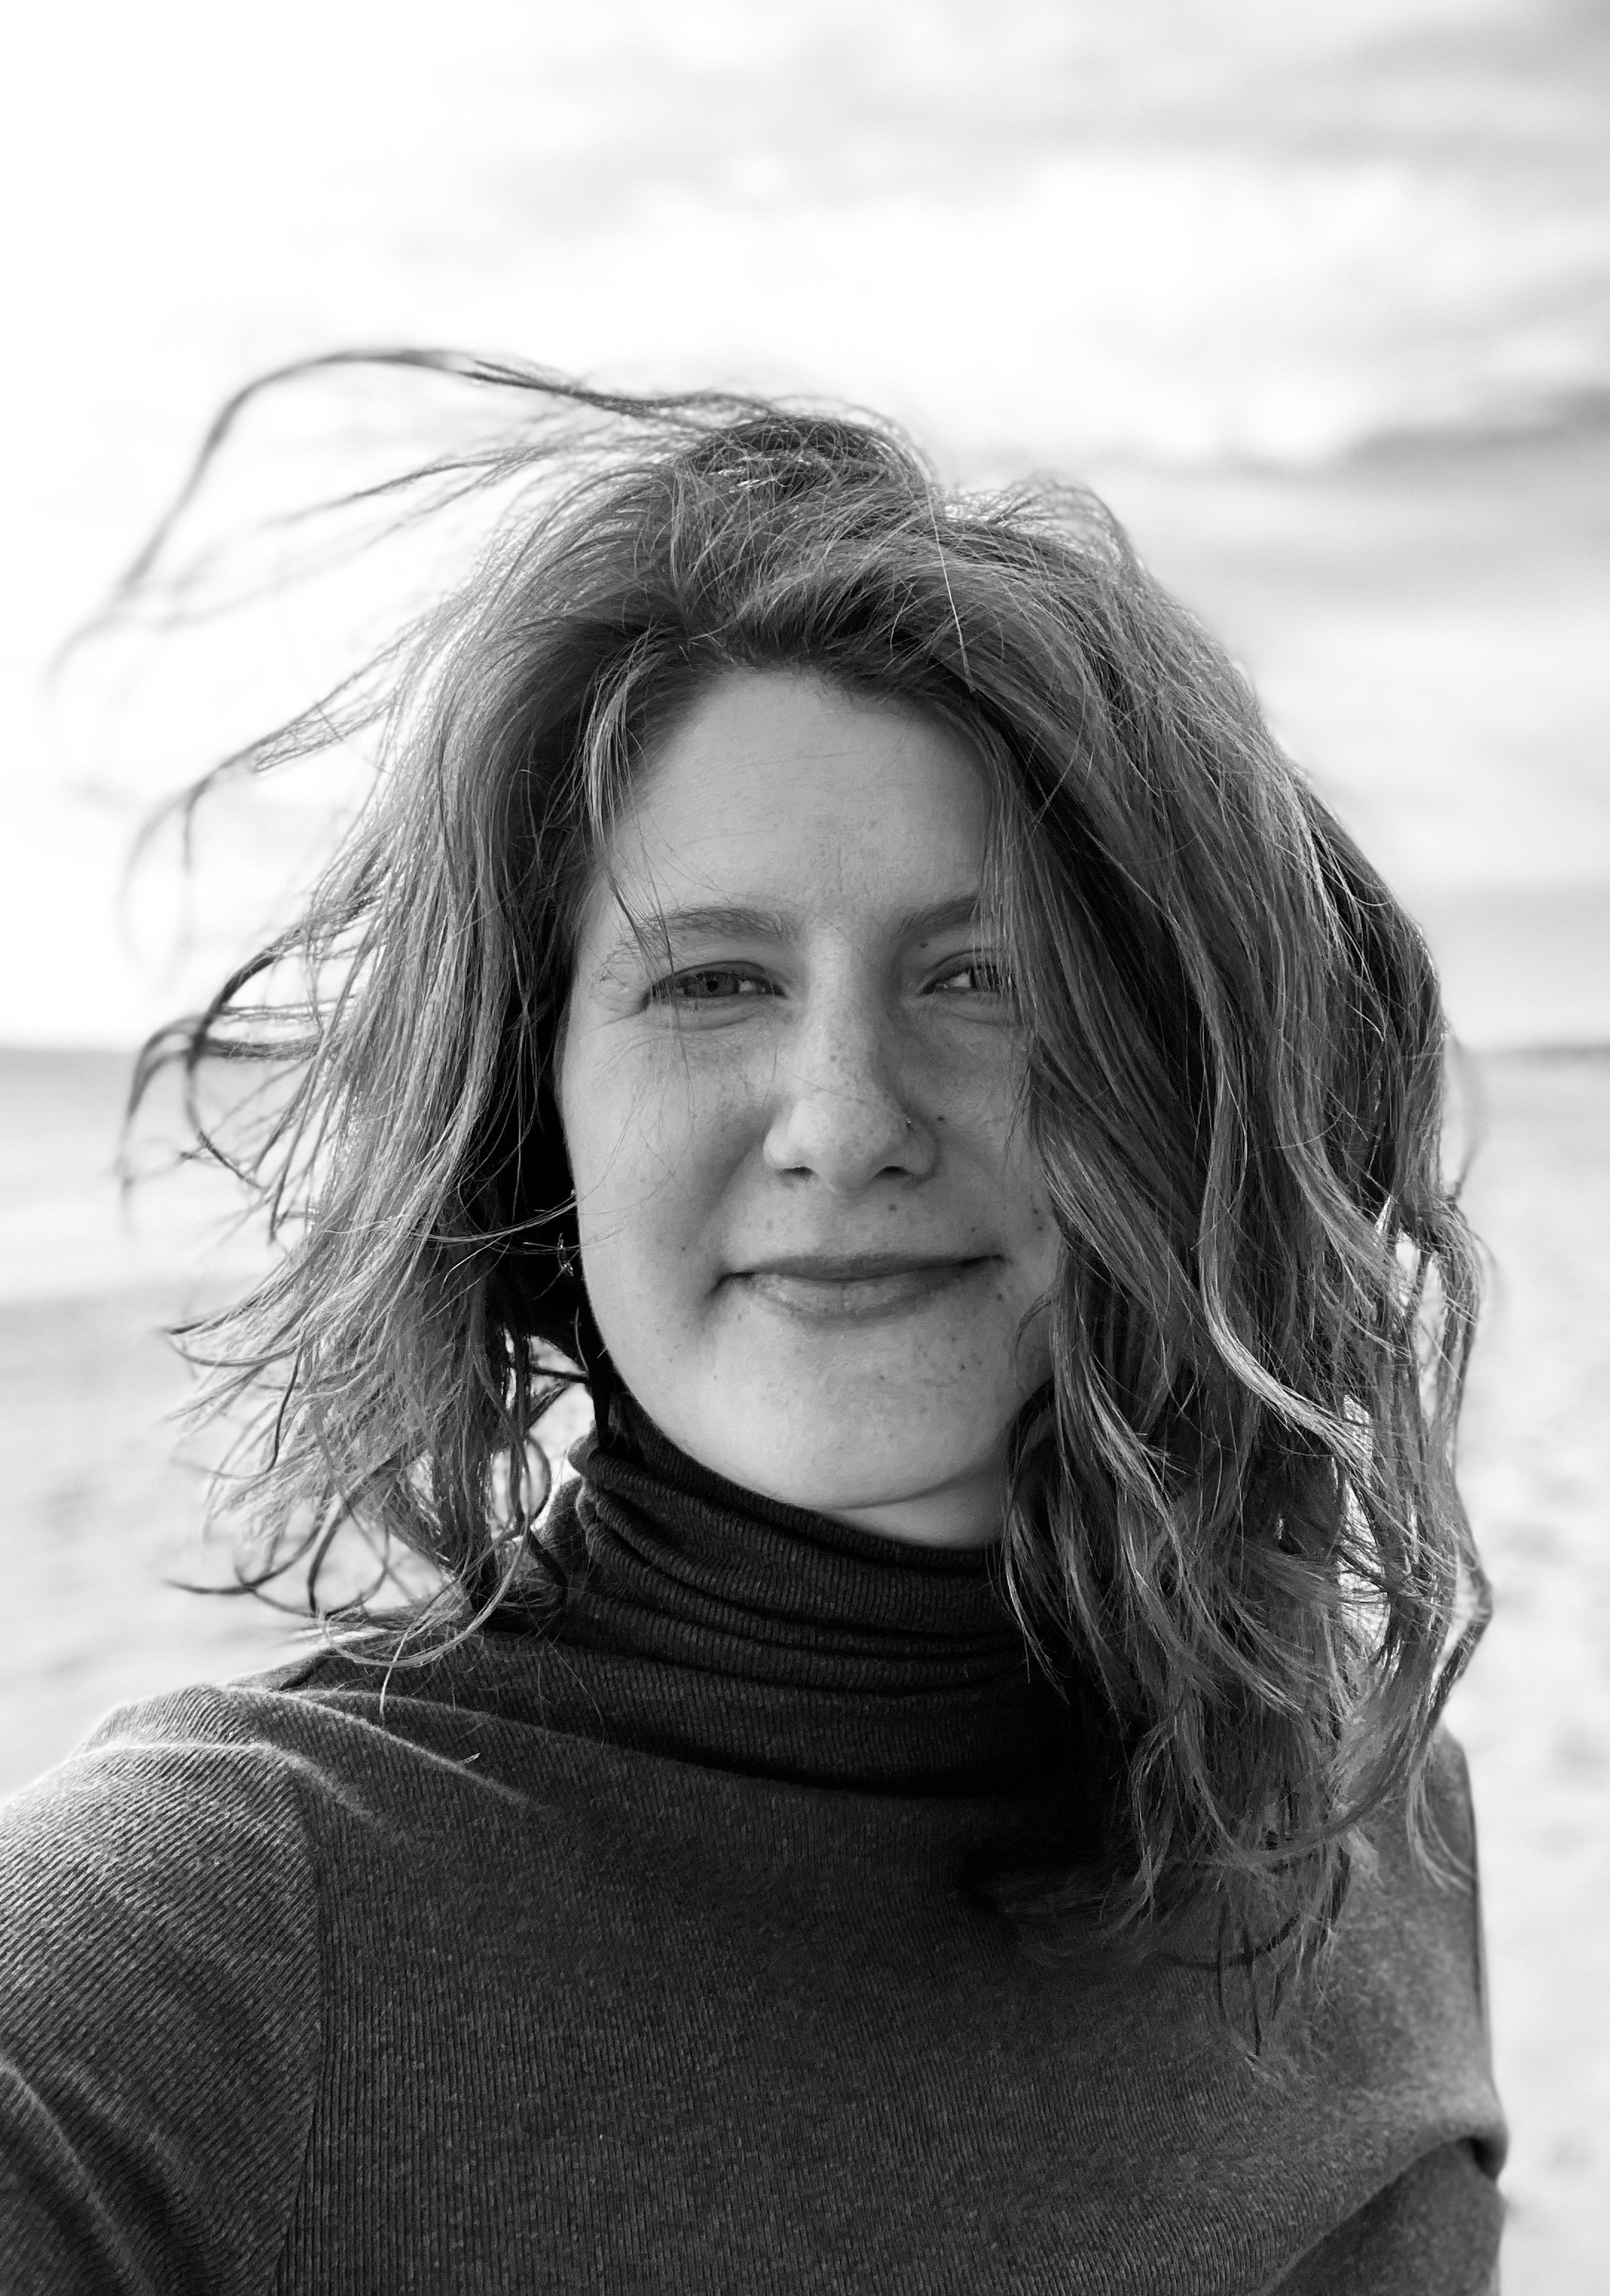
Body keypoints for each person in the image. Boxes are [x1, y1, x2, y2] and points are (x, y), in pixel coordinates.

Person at [0, 358, 1506, 2292]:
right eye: (710, 981)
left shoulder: (1379, 1804)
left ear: (1179, 1075)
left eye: (983, 976)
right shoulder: (181, 1976)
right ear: (525, 1113)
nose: (847, 1118)